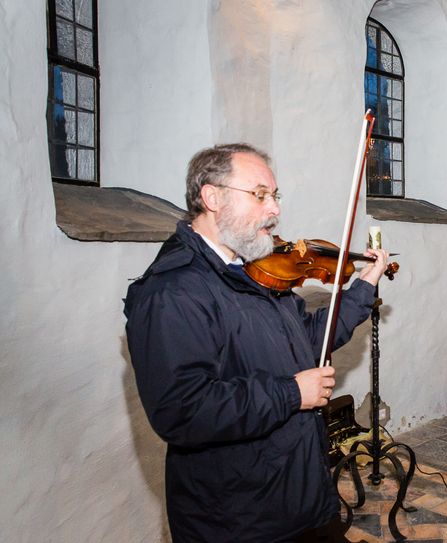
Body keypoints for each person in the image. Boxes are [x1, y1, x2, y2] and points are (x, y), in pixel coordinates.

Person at [123, 143, 390, 542]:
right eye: (260, 195)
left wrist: (362, 288)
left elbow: (312, 342)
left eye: (275, 196)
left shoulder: (255, 272)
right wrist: (291, 393)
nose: (275, 209)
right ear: (212, 197)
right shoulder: (172, 291)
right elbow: (183, 411)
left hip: (301, 499)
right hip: (239, 520)